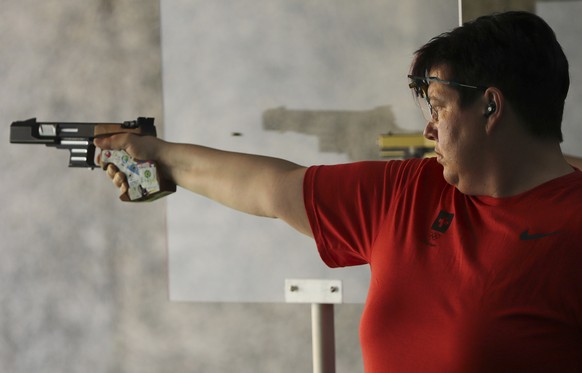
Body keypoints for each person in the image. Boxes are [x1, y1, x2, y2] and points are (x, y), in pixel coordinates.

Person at [95, 11, 582, 373]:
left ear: (491, 107)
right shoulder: (408, 192)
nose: (429, 131)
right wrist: (154, 154)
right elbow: (269, 188)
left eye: (438, 107)